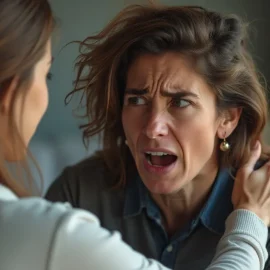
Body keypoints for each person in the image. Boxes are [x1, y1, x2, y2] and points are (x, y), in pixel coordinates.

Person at [0, 1, 269, 270]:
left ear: (228, 119)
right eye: (137, 100)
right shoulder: (79, 195)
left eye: (180, 102)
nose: (153, 127)